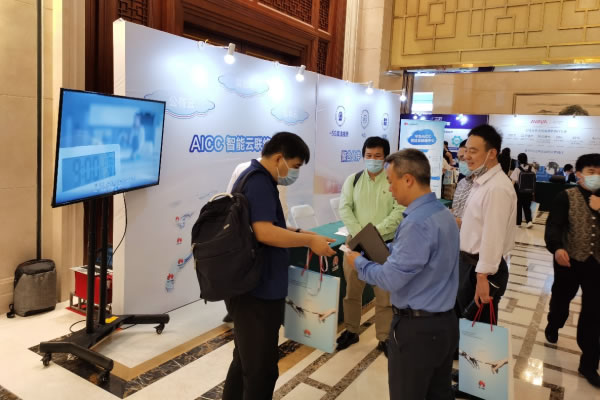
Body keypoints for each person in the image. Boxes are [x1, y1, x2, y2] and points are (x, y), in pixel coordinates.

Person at [222, 132, 336, 400]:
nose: (294, 173)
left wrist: (301, 232)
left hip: (251, 286)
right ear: (278, 158)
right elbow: (264, 232)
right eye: (295, 166)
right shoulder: (259, 181)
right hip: (257, 291)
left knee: (244, 360)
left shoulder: (253, 176)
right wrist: (308, 241)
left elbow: (265, 227)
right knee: (261, 370)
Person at [345, 148, 459, 399]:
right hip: (444, 324)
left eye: (390, 181)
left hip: (418, 331)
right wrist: (386, 249)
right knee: (438, 393)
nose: (389, 189)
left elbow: (390, 279)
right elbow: (420, 256)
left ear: (408, 179)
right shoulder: (441, 212)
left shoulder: (416, 222)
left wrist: (359, 262)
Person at [336, 137, 405, 355]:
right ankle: (351, 330)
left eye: (377, 156)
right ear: (363, 156)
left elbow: (399, 211)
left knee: (384, 296)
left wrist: (373, 235)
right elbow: (345, 208)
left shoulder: (393, 181)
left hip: (384, 245)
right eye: (368, 155)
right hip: (355, 244)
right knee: (352, 291)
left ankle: (384, 337)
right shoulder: (353, 180)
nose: (372, 159)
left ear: (386, 158)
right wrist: (361, 235)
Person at [544, 153, 600, 388]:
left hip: (596, 265)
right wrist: (557, 248)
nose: (596, 176)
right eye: (591, 171)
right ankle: (554, 323)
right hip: (569, 260)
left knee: (594, 313)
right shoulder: (565, 196)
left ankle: (588, 363)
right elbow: (554, 225)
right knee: (561, 300)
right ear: (578, 174)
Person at [456, 125, 517, 325]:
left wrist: (482, 277)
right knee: (466, 325)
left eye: (473, 151)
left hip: (482, 270)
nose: (466, 156)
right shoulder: (482, 182)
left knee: (478, 329)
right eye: (466, 150)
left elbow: (493, 235)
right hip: (469, 265)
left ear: (492, 153)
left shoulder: (497, 188)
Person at [222, 158, 290, 324]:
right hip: (257, 246)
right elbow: (278, 216)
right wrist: (307, 240)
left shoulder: (244, 169)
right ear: (278, 158)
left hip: (242, 241)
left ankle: (238, 313)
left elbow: (229, 200)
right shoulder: (266, 177)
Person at [452, 140, 474, 227]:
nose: (461, 162)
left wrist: (460, 223)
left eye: (462, 158)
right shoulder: (462, 182)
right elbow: (455, 208)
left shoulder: (483, 186)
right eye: (459, 159)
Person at [510, 153, 536, 228]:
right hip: (529, 191)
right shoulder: (532, 168)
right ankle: (529, 222)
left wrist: (511, 191)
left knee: (518, 207)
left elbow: (513, 182)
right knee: (527, 207)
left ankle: (518, 223)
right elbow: (534, 180)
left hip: (519, 191)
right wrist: (533, 191)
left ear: (518, 160)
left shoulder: (517, 169)